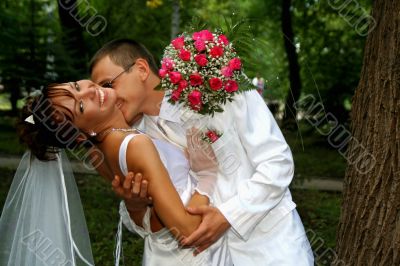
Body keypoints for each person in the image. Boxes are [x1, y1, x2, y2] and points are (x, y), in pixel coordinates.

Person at [90, 39, 314, 265]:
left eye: (108, 84)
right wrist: (135, 206)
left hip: (270, 249)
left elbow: (277, 162)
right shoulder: (130, 141)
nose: (106, 97)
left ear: (141, 69)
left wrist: (229, 216)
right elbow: (147, 229)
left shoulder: (216, 78)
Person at [8, 81, 232, 265]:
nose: (89, 91)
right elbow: (188, 231)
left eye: (77, 87)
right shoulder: (135, 144)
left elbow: (150, 210)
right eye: (81, 107)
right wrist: (207, 173)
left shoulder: (102, 151)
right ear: (80, 135)